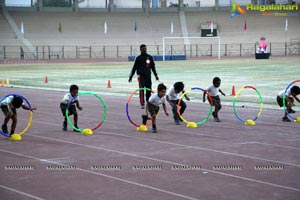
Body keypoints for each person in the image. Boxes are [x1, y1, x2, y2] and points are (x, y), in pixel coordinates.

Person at [128, 44, 159, 109]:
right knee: (142, 90)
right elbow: (134, 68)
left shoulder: (149, 57)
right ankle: (142, 103)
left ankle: (148, 102)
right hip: (141, 76)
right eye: (143, 49)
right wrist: (131, 76)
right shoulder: (138, 58)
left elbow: (153, 67)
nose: (144, 50)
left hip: (148, 76)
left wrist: (156, 75)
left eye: (145, 49)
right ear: (140, 50)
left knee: (149, 90)